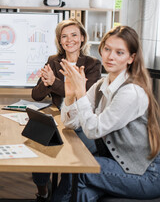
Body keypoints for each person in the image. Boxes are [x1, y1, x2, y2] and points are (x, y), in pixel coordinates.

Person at [53, 26, 160, 201]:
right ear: (101, 50)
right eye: (107, 49)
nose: (110, 57)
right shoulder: (102, 85)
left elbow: (94, 130)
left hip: (146, 174)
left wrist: (80, 92)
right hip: (118, 166)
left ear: (131, 58)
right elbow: (71, 123)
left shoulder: (131, 92)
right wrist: (71, 95)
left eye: (119, 53)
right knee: (83, 193)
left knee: (79, 170)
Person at [31, 19, 102, 202]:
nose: (69, 40)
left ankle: (61, 197)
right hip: (57, 119)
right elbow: (36, 95)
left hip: (81, 121)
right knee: (37, 144)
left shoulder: (93, 64)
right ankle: (42, 190)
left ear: (82, 38)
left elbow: (82, 95)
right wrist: (47, 83)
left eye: (74, 35)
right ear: (59, 41)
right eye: (64, 36)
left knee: (74, 159)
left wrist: (54, 82)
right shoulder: (53, 61)